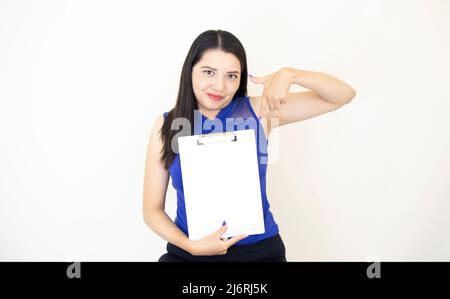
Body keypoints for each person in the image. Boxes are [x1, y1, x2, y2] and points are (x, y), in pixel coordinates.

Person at [142, 29, 356, 262]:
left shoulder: (259, 112)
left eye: (231, 76)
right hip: (188, 253)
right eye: (208, 72)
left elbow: (342, 95)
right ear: (190, 71)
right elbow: (152, 209)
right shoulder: (167, 125)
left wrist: (291, 75)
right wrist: (190, 246)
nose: (219, 86)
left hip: (258, 253)